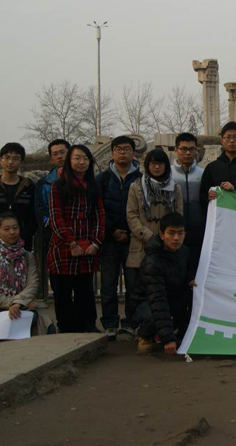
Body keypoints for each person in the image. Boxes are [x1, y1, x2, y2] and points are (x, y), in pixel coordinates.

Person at [46, 145, 104, 333]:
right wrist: (71, 242)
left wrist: (96, 242)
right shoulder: (58, 186)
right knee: (62, 293)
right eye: (77, 158)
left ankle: (87, 326)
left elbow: (99, 215)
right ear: (69, 161)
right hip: (63, 248)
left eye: (85, 158)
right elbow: (56, 218)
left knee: (85, 292)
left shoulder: (94, 186)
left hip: (88, 246)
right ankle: (66, 329)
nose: (81, 162)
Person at [0, 212, 54, 347]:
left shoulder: (27, 256)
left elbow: (32, 285)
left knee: (47, 326)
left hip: (22, 308)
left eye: (15, 228)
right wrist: (11, 304)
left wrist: (19, 304)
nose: (12, 232)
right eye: (6, 229)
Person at [96, 135, 142, 340]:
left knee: (133, 284)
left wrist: (132, 232)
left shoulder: (141, 178)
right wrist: (112, 231)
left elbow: (143, 210)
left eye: (126, 149)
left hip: (134, 239)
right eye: (118, 149)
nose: (122, 153)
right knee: (108, 284)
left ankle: (131, 323)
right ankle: (110, 323)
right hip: (109, 239)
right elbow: (98, 210)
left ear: (133, 152)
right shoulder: (103, 179)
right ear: (112, 153)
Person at [134, 212, 194, 355]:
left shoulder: (184, 252)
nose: (176, 238)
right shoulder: (152, 263)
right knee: (153, 316)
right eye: (171, 233)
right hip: (147, 303)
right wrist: (168, 339)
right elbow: (157, 300)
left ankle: (183, 335)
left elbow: (187, 276)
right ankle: (144, 334)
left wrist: (191, 281)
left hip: (172, 297)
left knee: (195, 296)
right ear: (161, 235)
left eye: (180, 233)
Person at [127, 149, 184, 274]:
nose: (157, 167)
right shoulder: (136, 187)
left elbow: (179, 215)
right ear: (147, 165)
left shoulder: (175, 188)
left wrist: (166, 236)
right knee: (136, 288)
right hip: (141, 245)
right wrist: (148, 235)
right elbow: (131, 215)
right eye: (153, 164)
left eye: (161, 163)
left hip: (166, 244)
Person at [0, 142, 37, 251]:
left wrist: (21, 239)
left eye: (15, 158)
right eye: (7, 158)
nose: (10, 162)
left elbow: (32, 218)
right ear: (0, 160)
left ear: (21, 162)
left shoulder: (29, 187)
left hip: (23, 247)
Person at [171, 132, 206, 279]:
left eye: (191, 149)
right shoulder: (168, 174)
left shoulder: (203, 173)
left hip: (198, 232)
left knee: (195, 274)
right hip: (174, 233)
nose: (187, 153)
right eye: (183, 149)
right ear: (176, 150)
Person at [35, 138, 69, 240]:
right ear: (51, 159)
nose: (59, 156)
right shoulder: (43, 183)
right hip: (52, 235)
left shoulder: (83, 180)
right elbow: (40, 210)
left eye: (62, 152)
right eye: (55, 154)